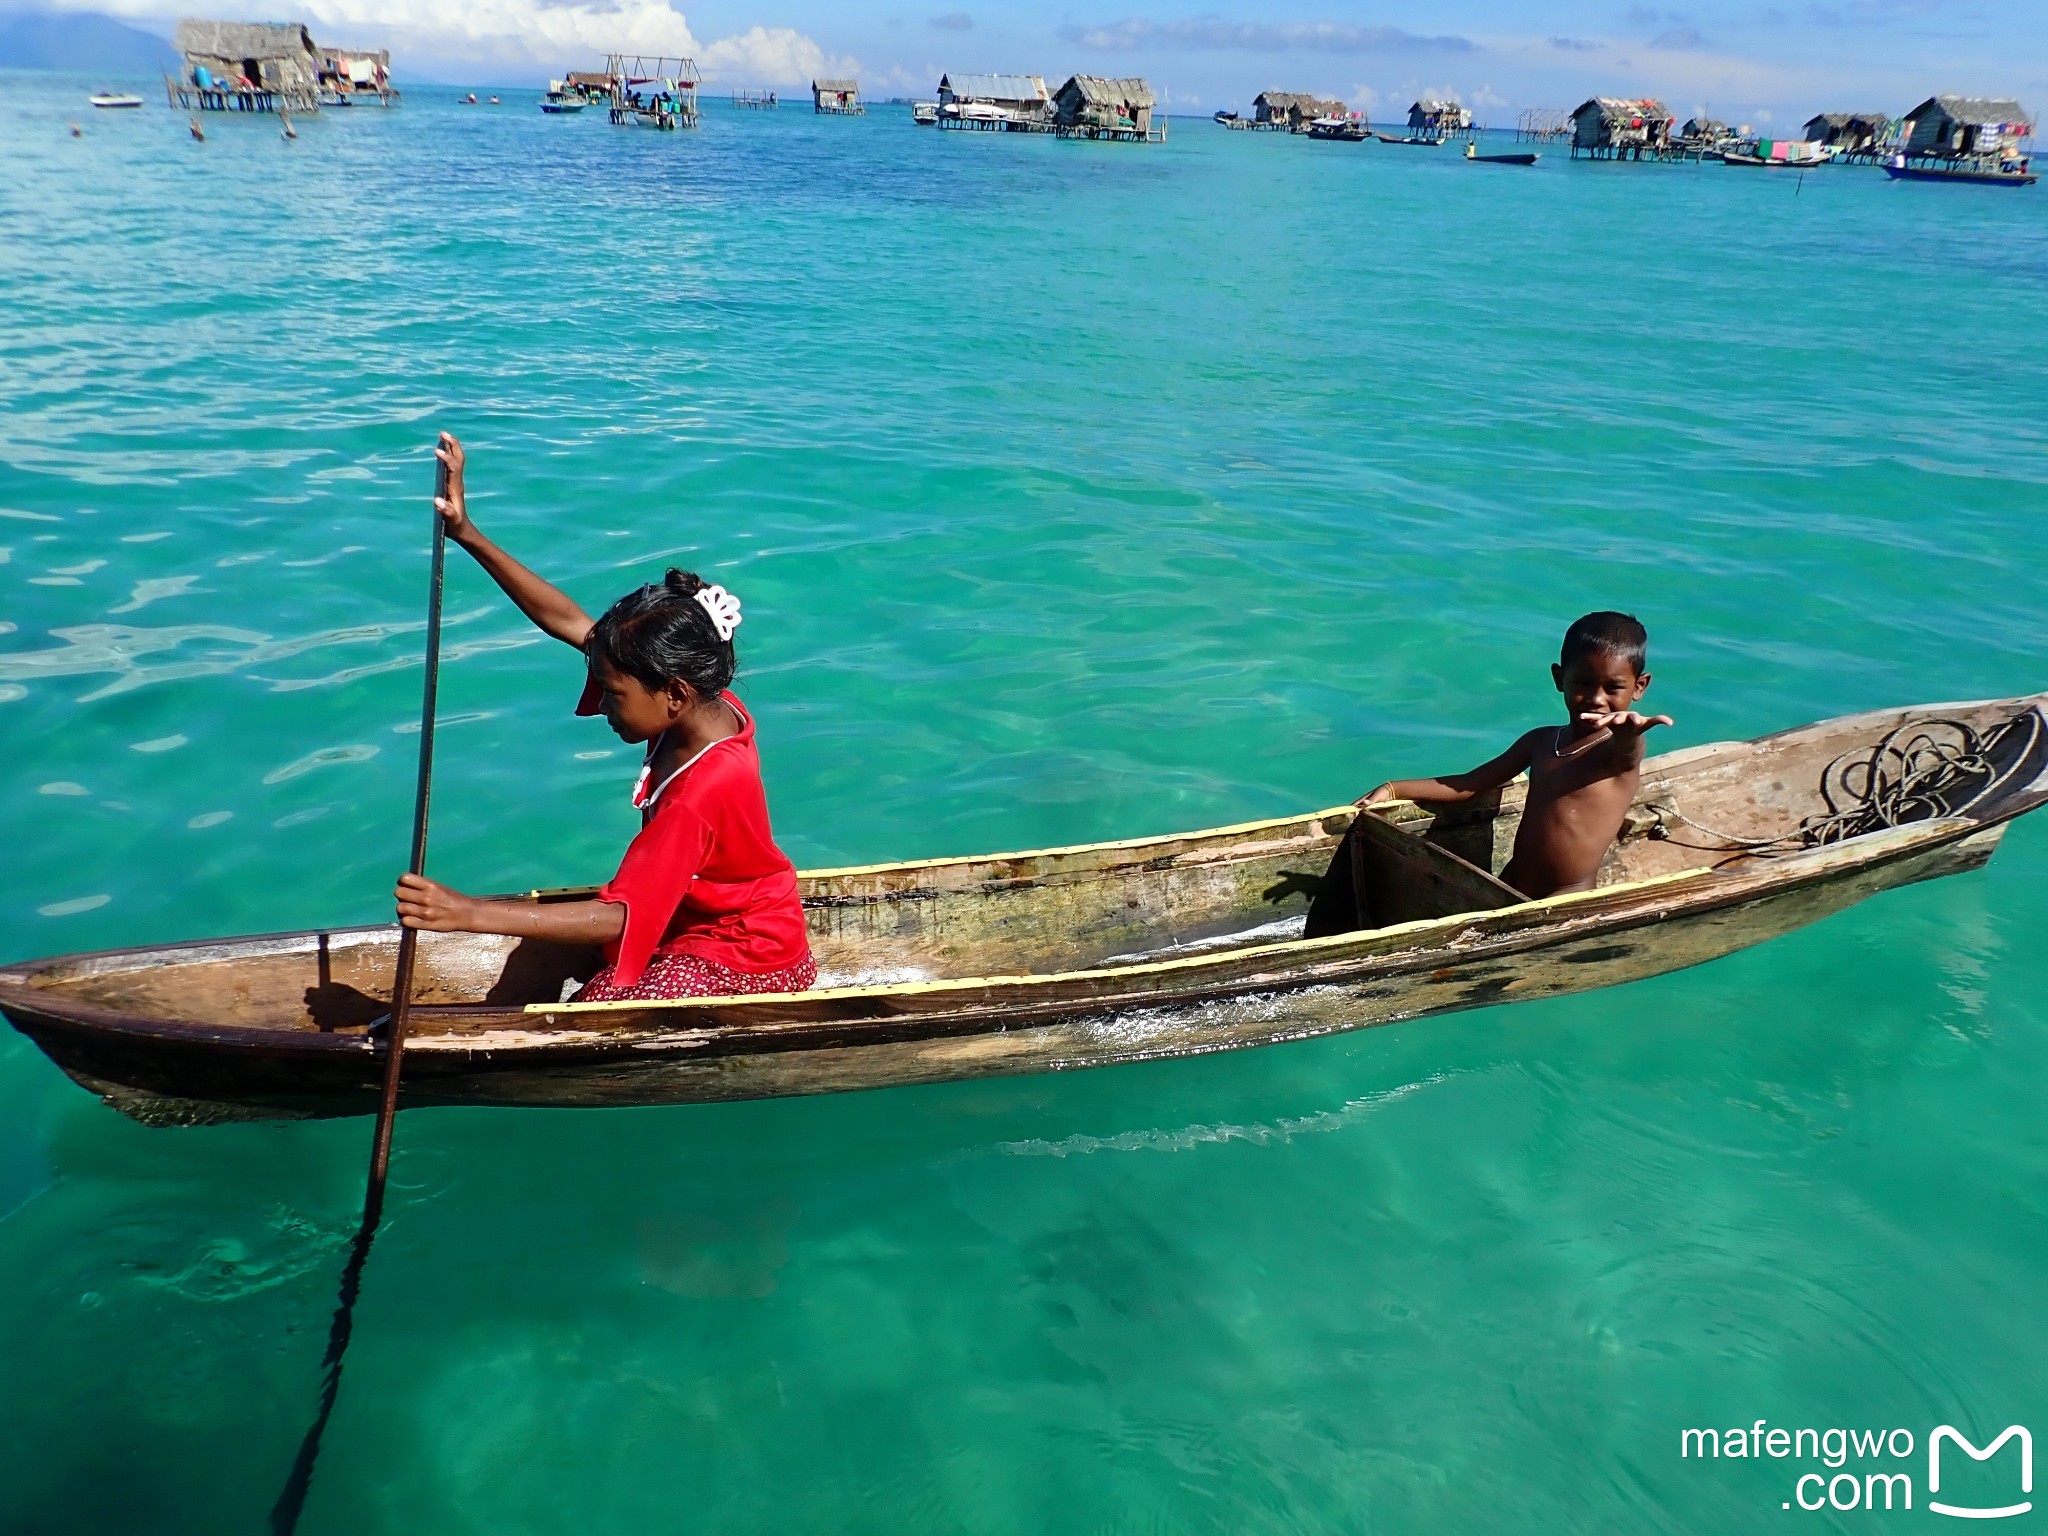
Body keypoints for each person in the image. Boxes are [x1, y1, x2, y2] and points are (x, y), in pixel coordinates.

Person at [392, 432, 816, 1002]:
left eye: (613, 695)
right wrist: (469, 534)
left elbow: (623, 915)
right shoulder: (707, 705)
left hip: (750, 954)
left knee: (599, 1004)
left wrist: (467, 912)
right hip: (705, 910)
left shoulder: (701, 792)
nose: (604, 708)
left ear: (672, 692)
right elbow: (568, 621)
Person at [1358, 611, 1672, 901]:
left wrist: (1629, 735)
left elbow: (1628, 753)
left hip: (1567, 896)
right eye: (1582, 683)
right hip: (1512, 882)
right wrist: (1394, 788)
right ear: (1559, 678)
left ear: (1639, 687)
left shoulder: (1616, 754)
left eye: (1613, 687)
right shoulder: (1541, 741)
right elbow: (1469, 784)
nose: (1596, 699)